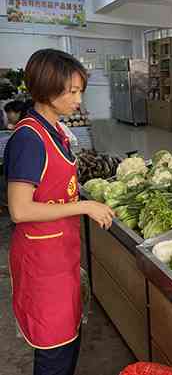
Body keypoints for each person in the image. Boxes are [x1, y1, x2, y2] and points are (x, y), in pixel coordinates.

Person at [5, 49, 115, 375]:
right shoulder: (30, 138)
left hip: (60, 254)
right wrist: (84, 205)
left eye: (80, 90)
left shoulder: (55, 130)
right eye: (72, 91)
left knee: (68, 340)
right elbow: (19, 209)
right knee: (54, 351)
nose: (78, 99)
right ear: (46, 89)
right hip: (41, 265)